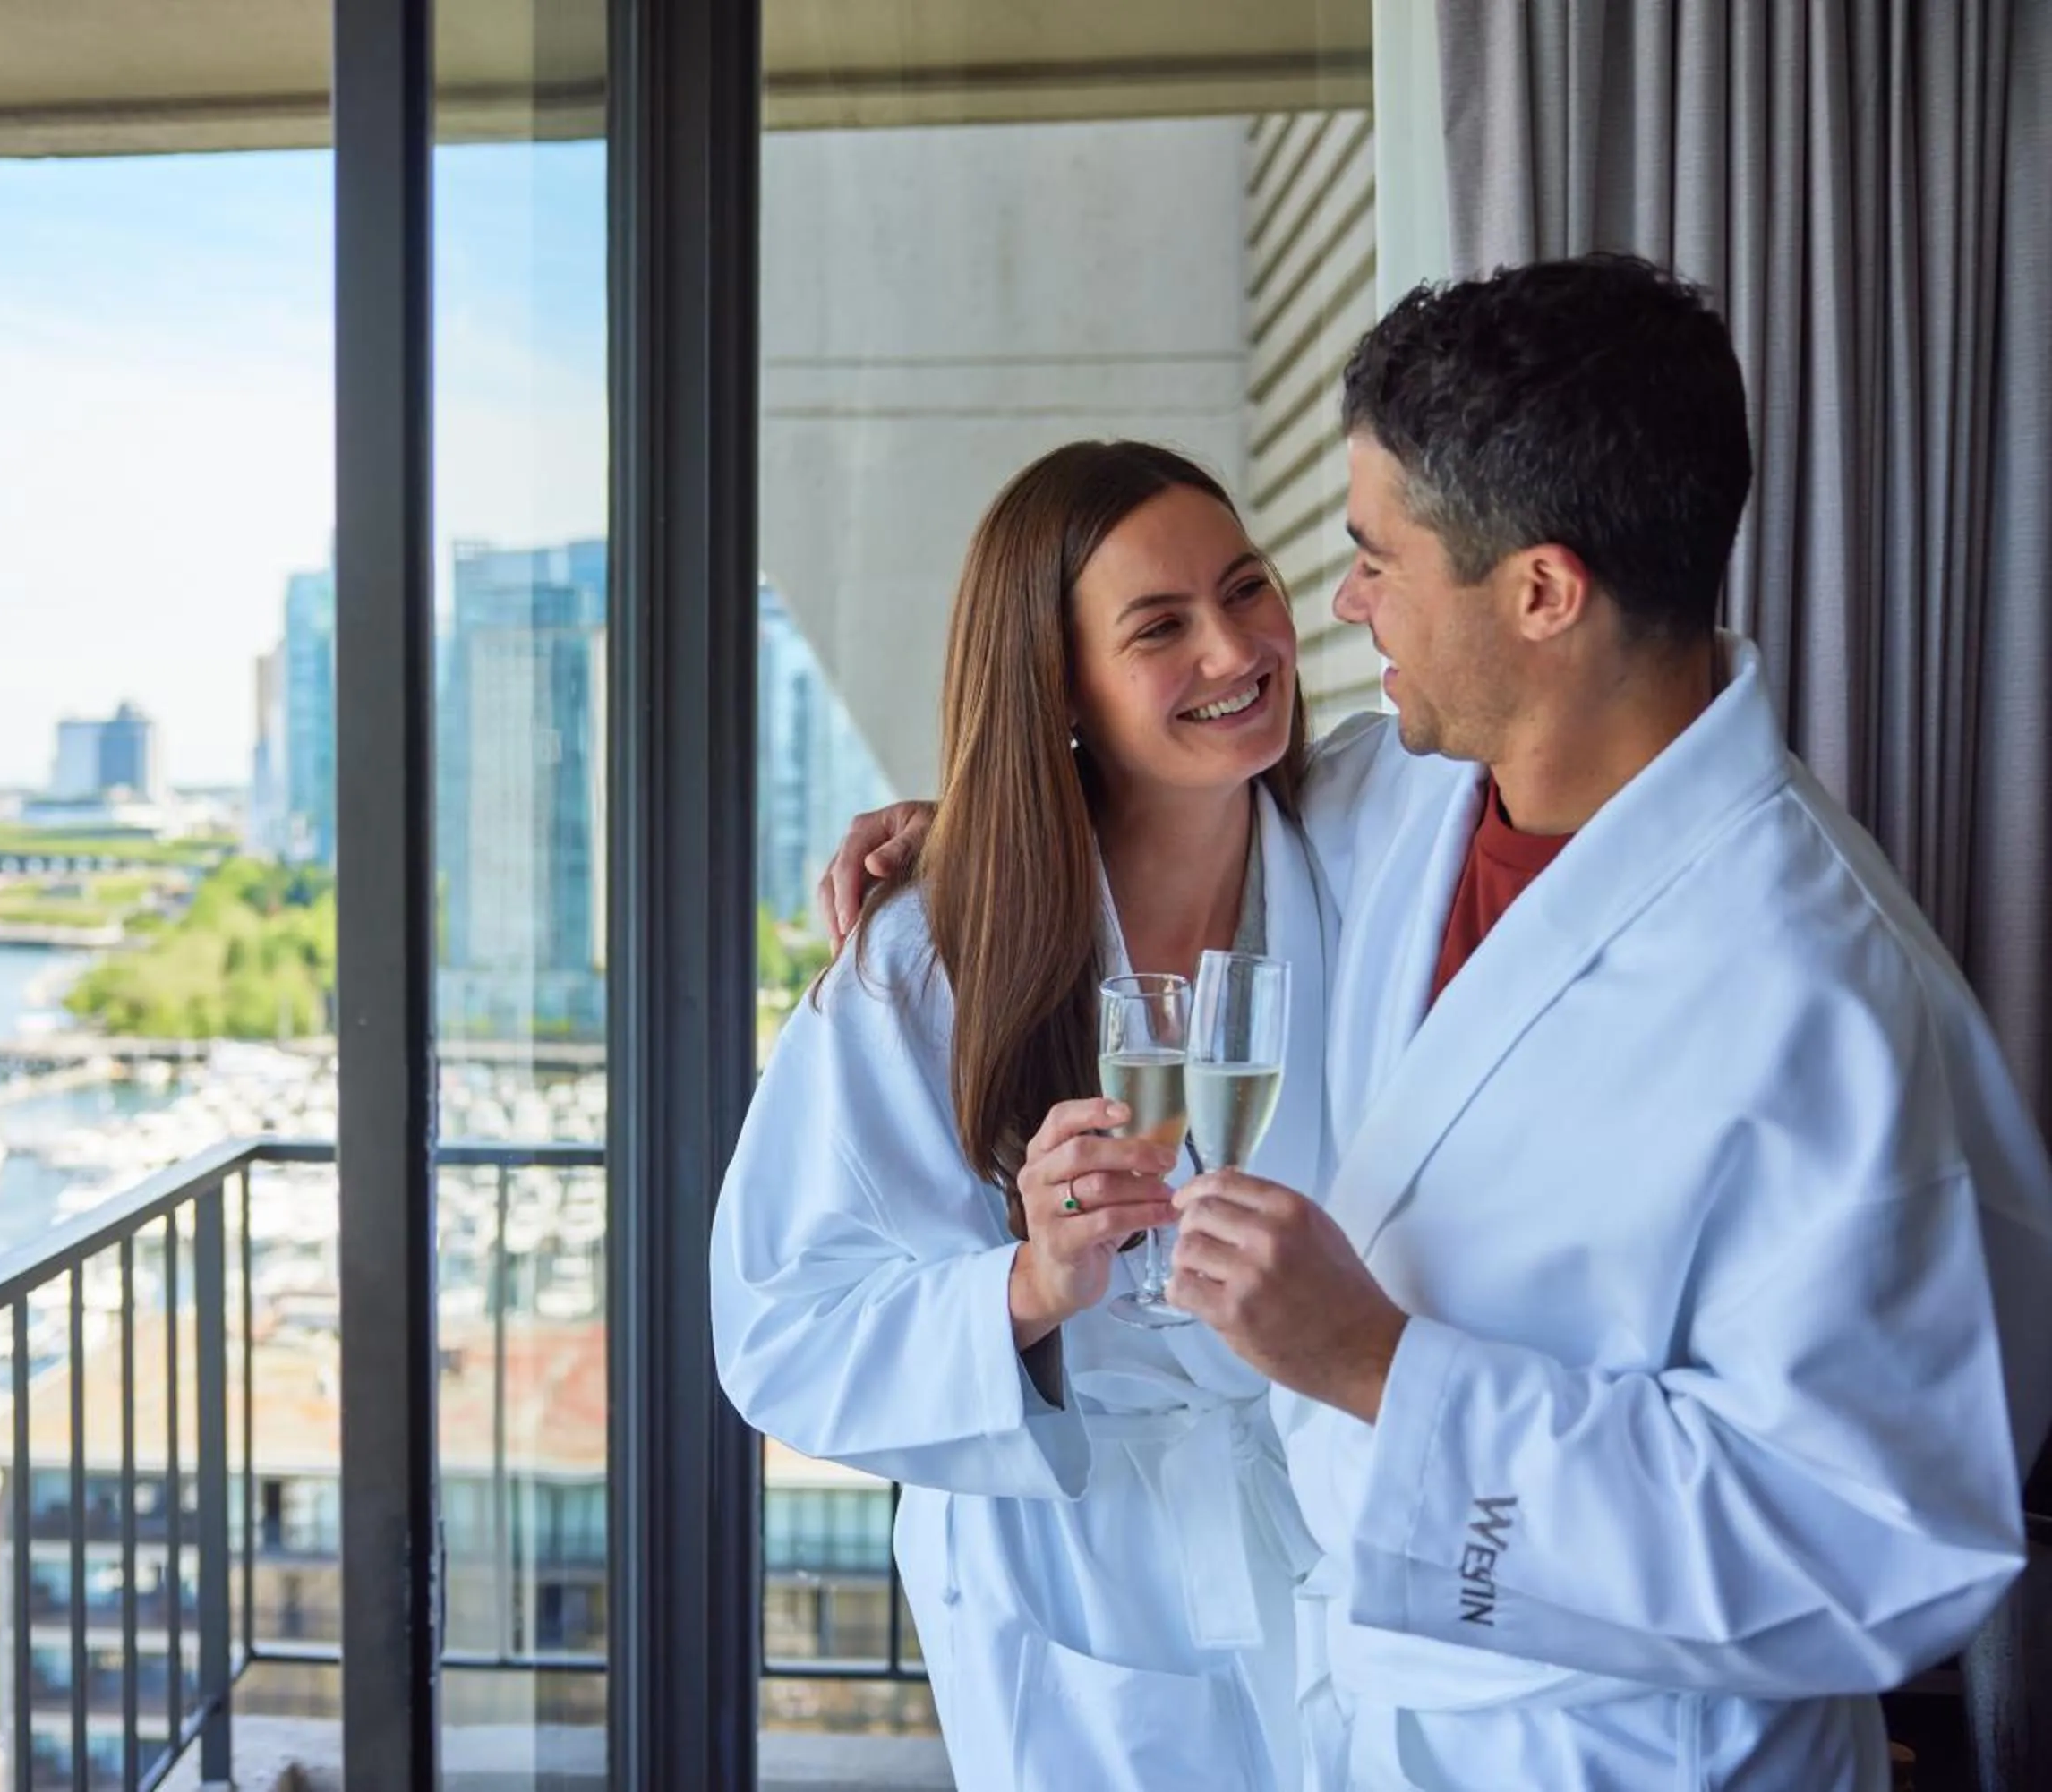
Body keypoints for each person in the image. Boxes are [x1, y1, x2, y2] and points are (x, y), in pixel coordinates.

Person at [817, 253, 2052, 1791]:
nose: (1336, 605)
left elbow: (1879, 1547)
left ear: (1541, 591)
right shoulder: (1397, 804)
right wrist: (983, 829)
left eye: (1371, 555)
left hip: (1632, 1756)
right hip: (1357, 1720)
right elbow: (1173, 808)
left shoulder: (1826, 1004)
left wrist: (1386, 1371)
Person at [712, 441, 1330, 1788]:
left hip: (1319, 1514)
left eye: (1248, 589)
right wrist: (1028, 1288)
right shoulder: (926, 956)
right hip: (1074, 1565)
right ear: (1062, 686)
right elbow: (776, 1328)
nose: (1235, 648)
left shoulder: (1362, 840)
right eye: (1160, 627)